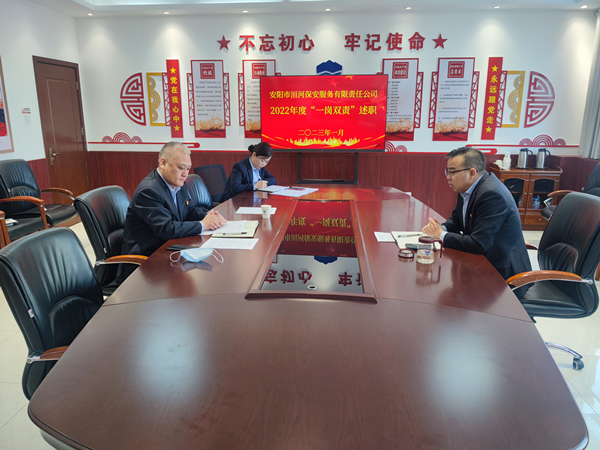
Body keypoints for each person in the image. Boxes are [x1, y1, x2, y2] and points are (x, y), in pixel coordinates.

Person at [422, 147, 531, 287]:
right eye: (447, 172)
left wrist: (442, 235)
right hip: (482, 262)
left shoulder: (491, 195)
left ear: (471, 173)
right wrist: (440, 228)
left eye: (452, 172)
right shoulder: (467, 188)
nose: (448, 177)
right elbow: (457, 219)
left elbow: (478, 244)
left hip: (503, 276)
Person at [118, 142, 226, 282]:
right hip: (147, 263)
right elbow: (166, 229)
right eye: (181, 168)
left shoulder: (178, 183)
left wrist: (209, 217)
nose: (185, 174)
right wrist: (203, 224)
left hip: (170, 249)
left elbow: (189, 209)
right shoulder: (149, 191)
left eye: (188, 168)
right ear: (163, 163)